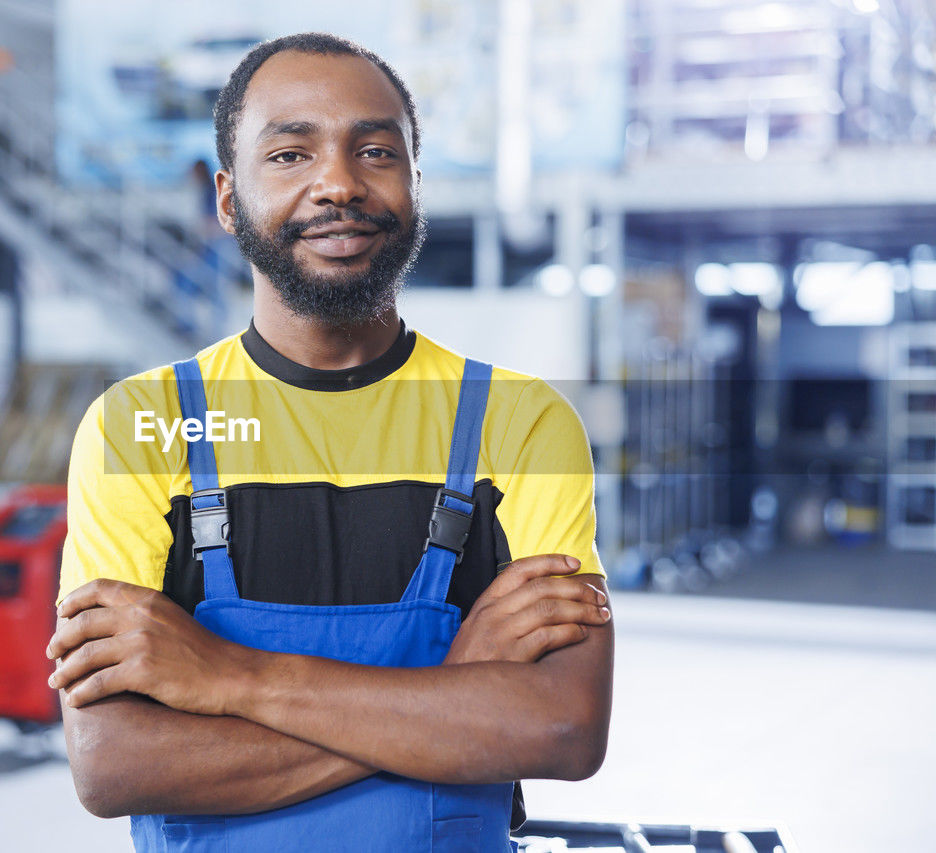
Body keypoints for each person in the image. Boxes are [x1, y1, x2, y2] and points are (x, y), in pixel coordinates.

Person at [46, 33, 614, 852]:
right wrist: (448, 695)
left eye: (376, 150)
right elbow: (113, 763)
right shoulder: (140, 427)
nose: (340, 183)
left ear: (416, 183)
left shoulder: (521, 425)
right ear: (228, 199)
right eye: (289, 154)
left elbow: (562, 727)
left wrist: (226, 676)